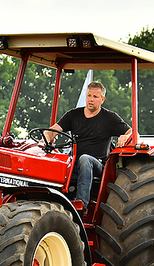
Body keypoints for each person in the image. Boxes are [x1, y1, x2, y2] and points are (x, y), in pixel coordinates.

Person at [46, 81, 132, 211]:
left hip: (98, 165)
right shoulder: (73, 115)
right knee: (56, 160)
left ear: (102, 99)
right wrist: (44, 140)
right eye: (89, 95)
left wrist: (125, 136)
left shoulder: (109, 118)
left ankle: (81, 204)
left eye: (95, 97)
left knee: (85, 159)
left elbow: (132, 132)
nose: (91, 99)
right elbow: (51, 132)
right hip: (74, 163)